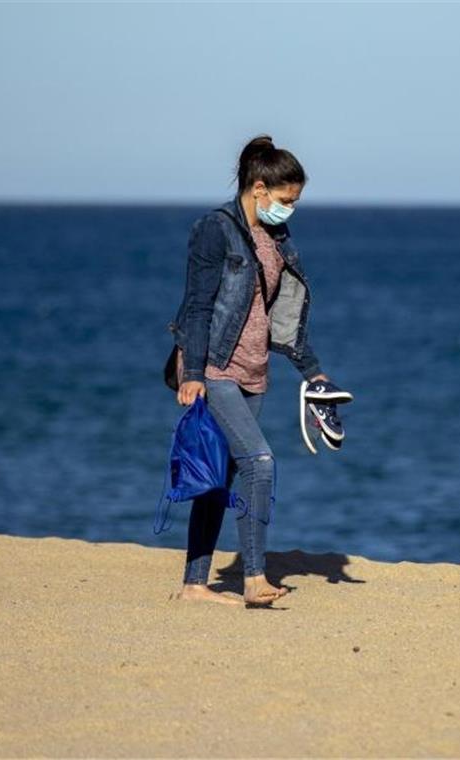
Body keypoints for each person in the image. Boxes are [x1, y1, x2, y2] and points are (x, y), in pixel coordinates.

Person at [165, 135, 351, 606]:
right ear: (261, 188)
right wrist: (193, 374)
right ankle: (253, 578)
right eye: (287, 200)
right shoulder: (215, 229)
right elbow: (199, 306)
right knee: (260, 463)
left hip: (254, 370)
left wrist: (313, 372)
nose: (290, 209)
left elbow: (279, 316)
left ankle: (194, 585)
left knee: (220, 475)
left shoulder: (277, 238)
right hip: (215, 368)